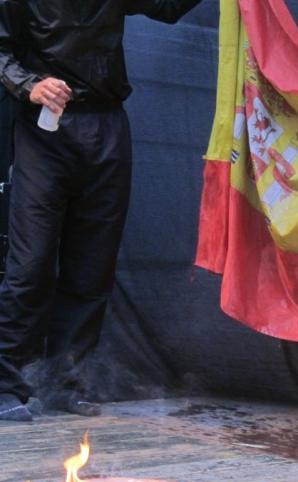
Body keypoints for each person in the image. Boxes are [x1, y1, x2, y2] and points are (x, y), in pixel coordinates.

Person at [0, 0, 202, 421]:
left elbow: (167, 7)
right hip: (44, 131)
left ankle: (64, 384)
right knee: (30, 266)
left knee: (92, 267)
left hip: (106, 124)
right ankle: (6, 386)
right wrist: (29, 83)